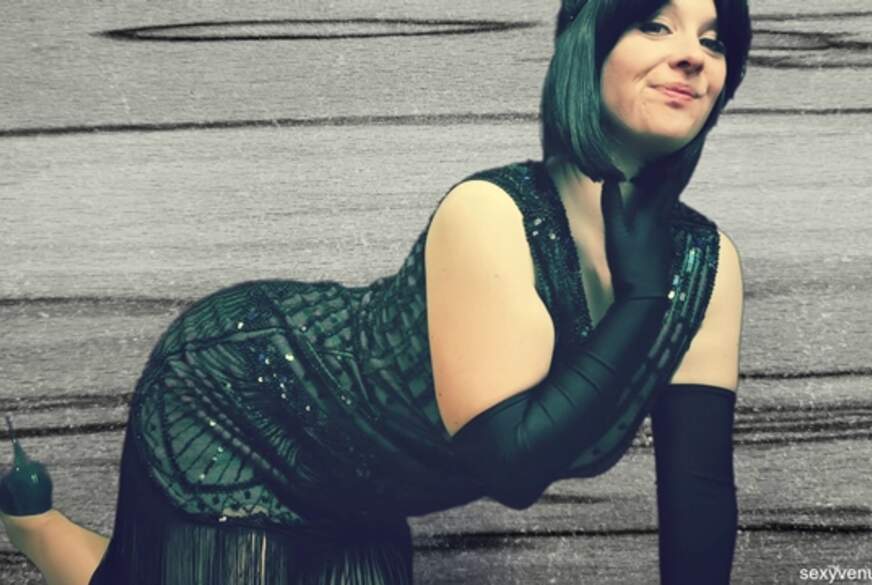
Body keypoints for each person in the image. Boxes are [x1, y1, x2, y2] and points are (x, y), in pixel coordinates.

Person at [0, 0, 752, 583]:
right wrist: (641, 300)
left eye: (715, 40)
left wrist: (652, 289)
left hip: (361, 489)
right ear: (589, 47)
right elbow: (515, 465)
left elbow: (698, 497)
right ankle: (34, 525)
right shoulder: (491, 213)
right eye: (656, 25)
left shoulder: (707, 262)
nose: (693, 54)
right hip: (235, 399)